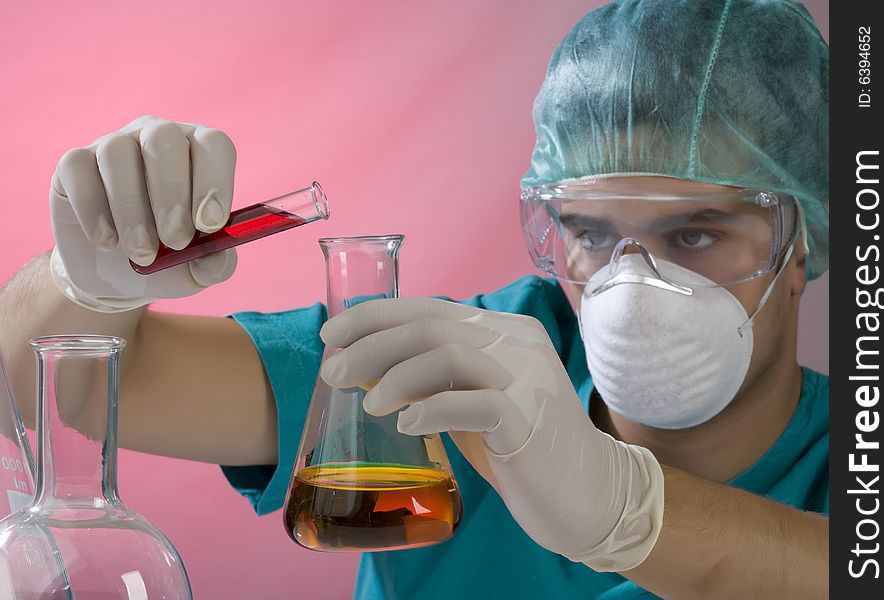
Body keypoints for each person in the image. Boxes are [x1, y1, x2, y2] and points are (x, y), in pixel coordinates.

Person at [0, 0, 828, 598]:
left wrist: (625, 509)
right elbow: (61, 389)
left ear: (802, 240)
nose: (632, 281)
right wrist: (84, 281)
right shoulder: (457, 374)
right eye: (590, 230)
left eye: (694, 236)